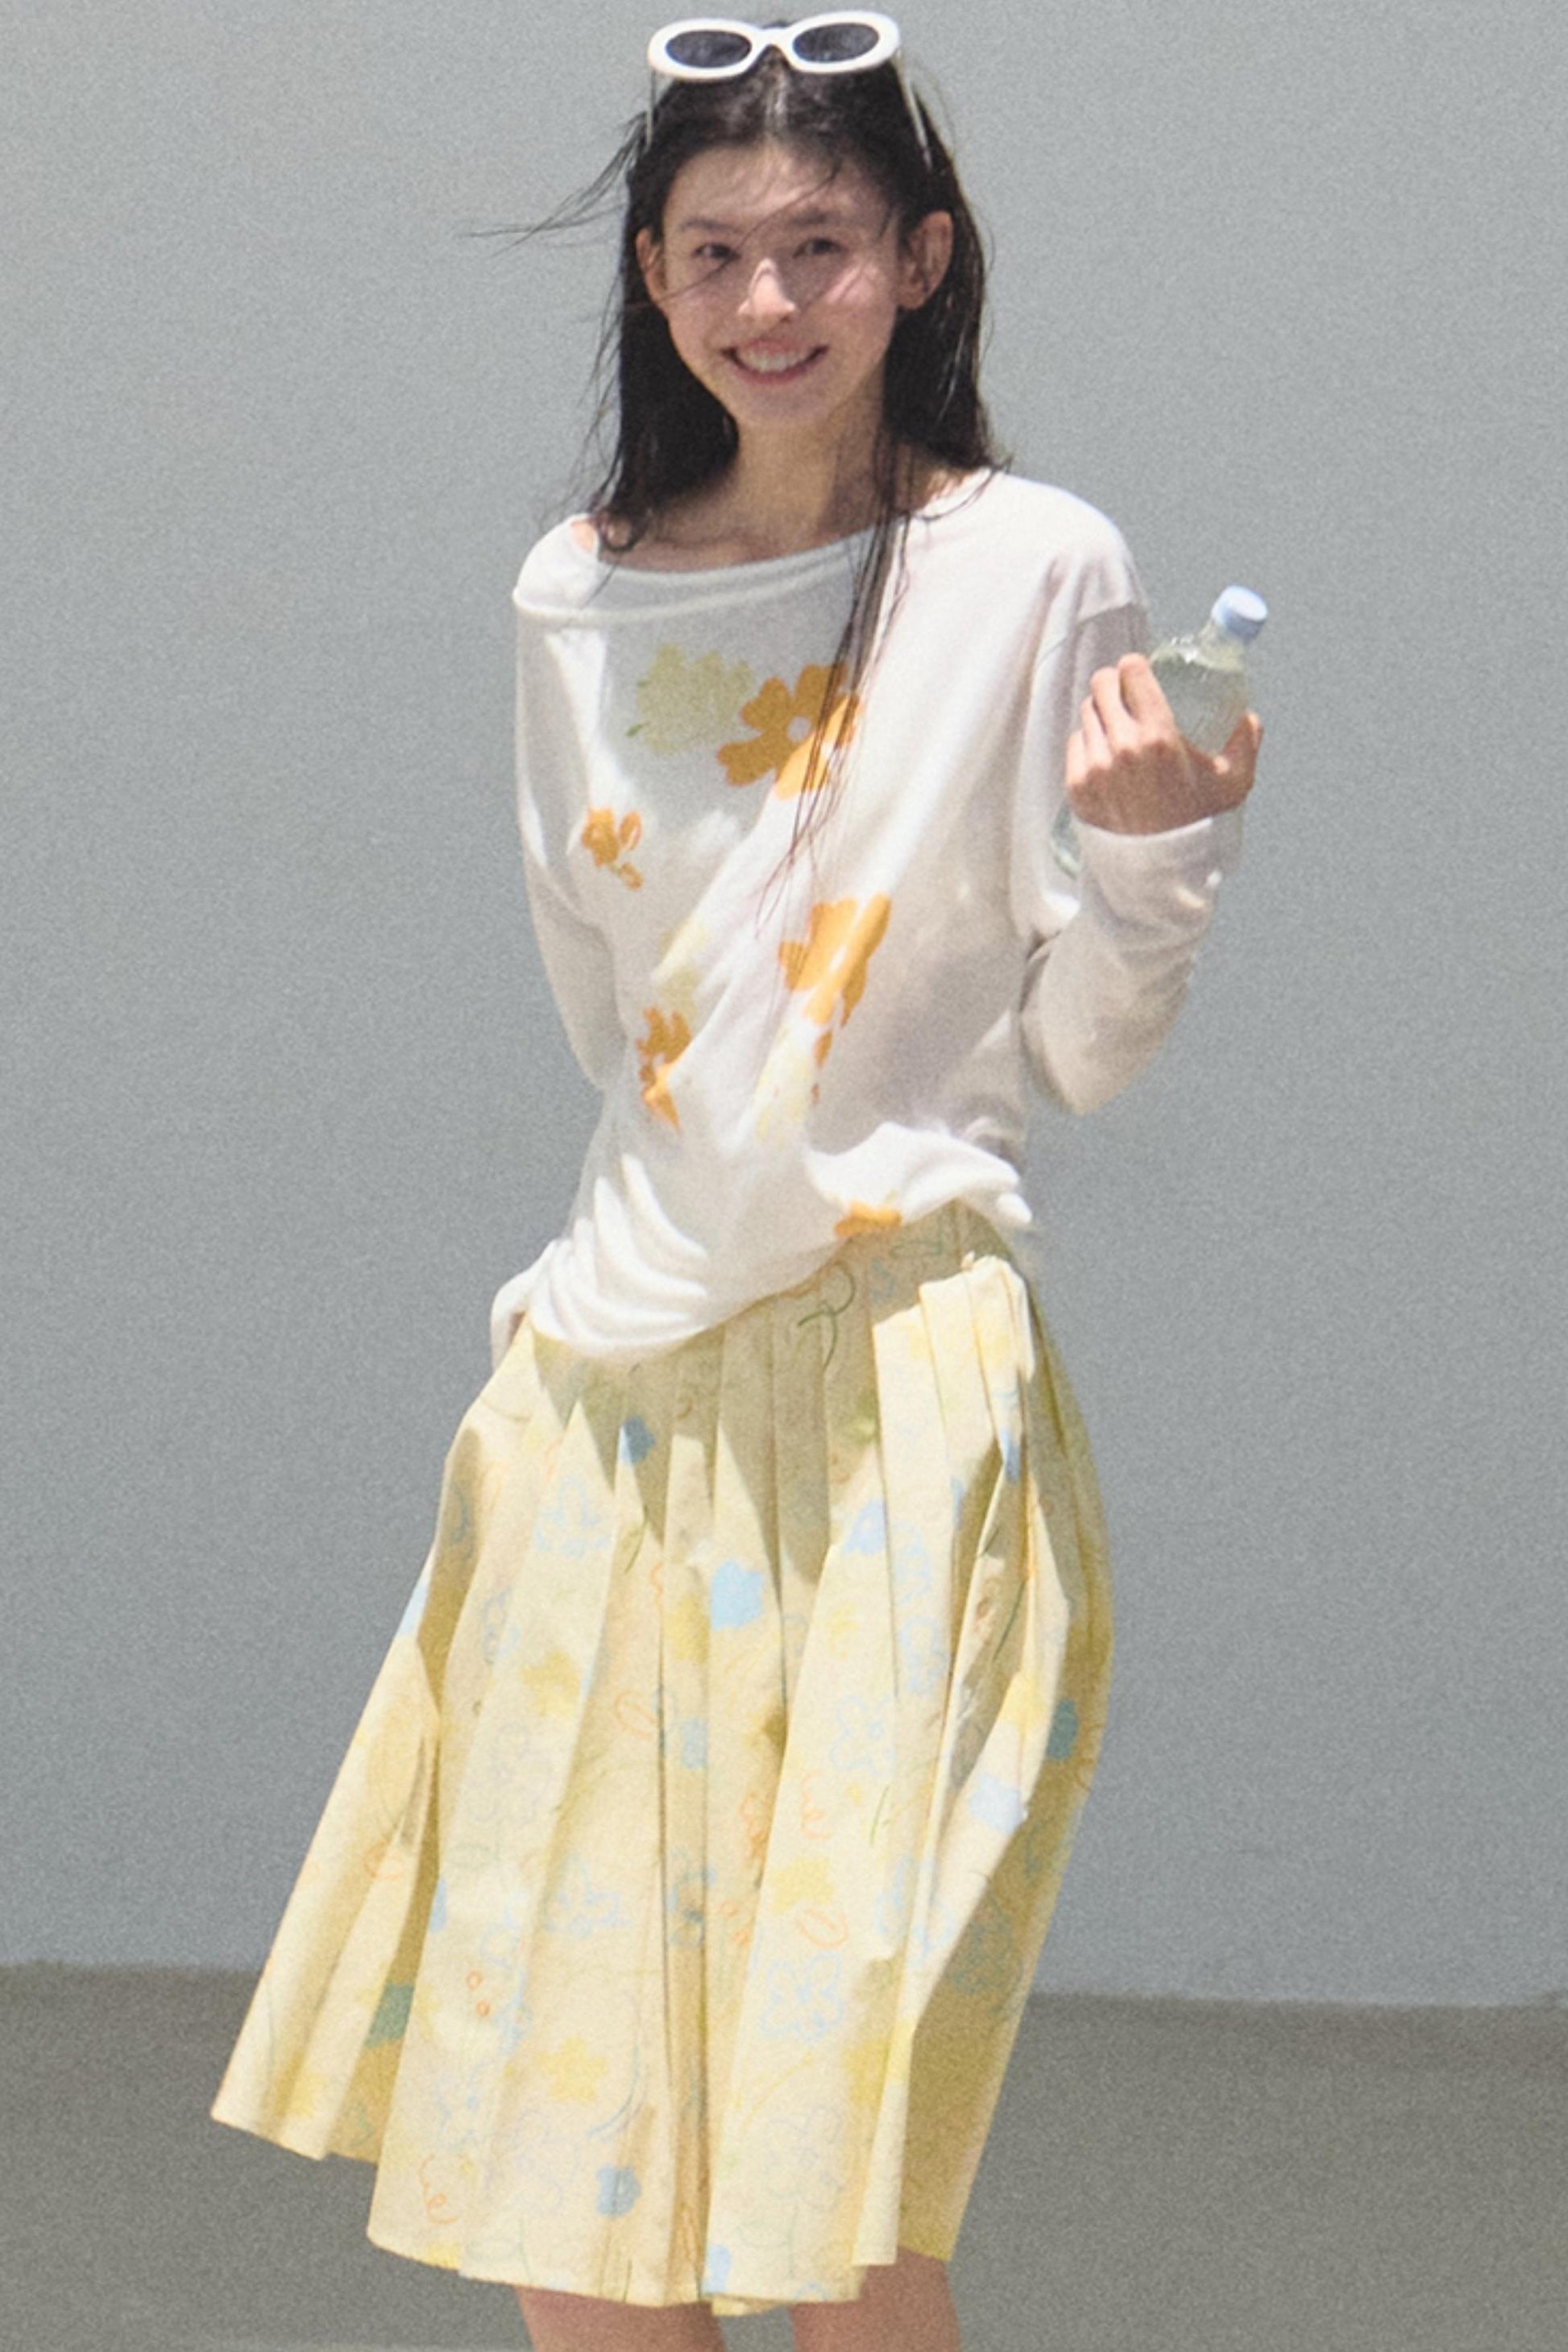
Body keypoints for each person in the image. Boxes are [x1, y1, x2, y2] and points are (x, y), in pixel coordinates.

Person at [209, 15, 1262, 2351]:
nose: (767, 301)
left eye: (819, 247)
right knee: (572, 2185)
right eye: (715, 254)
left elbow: (1077, 1054)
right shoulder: (574, 596)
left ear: (921, 261)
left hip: (899, 1398)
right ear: (654, 278)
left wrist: (1152, 862)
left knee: (838, 2183)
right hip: (602, 1409)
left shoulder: (1034, 568)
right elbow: (622, 1021)